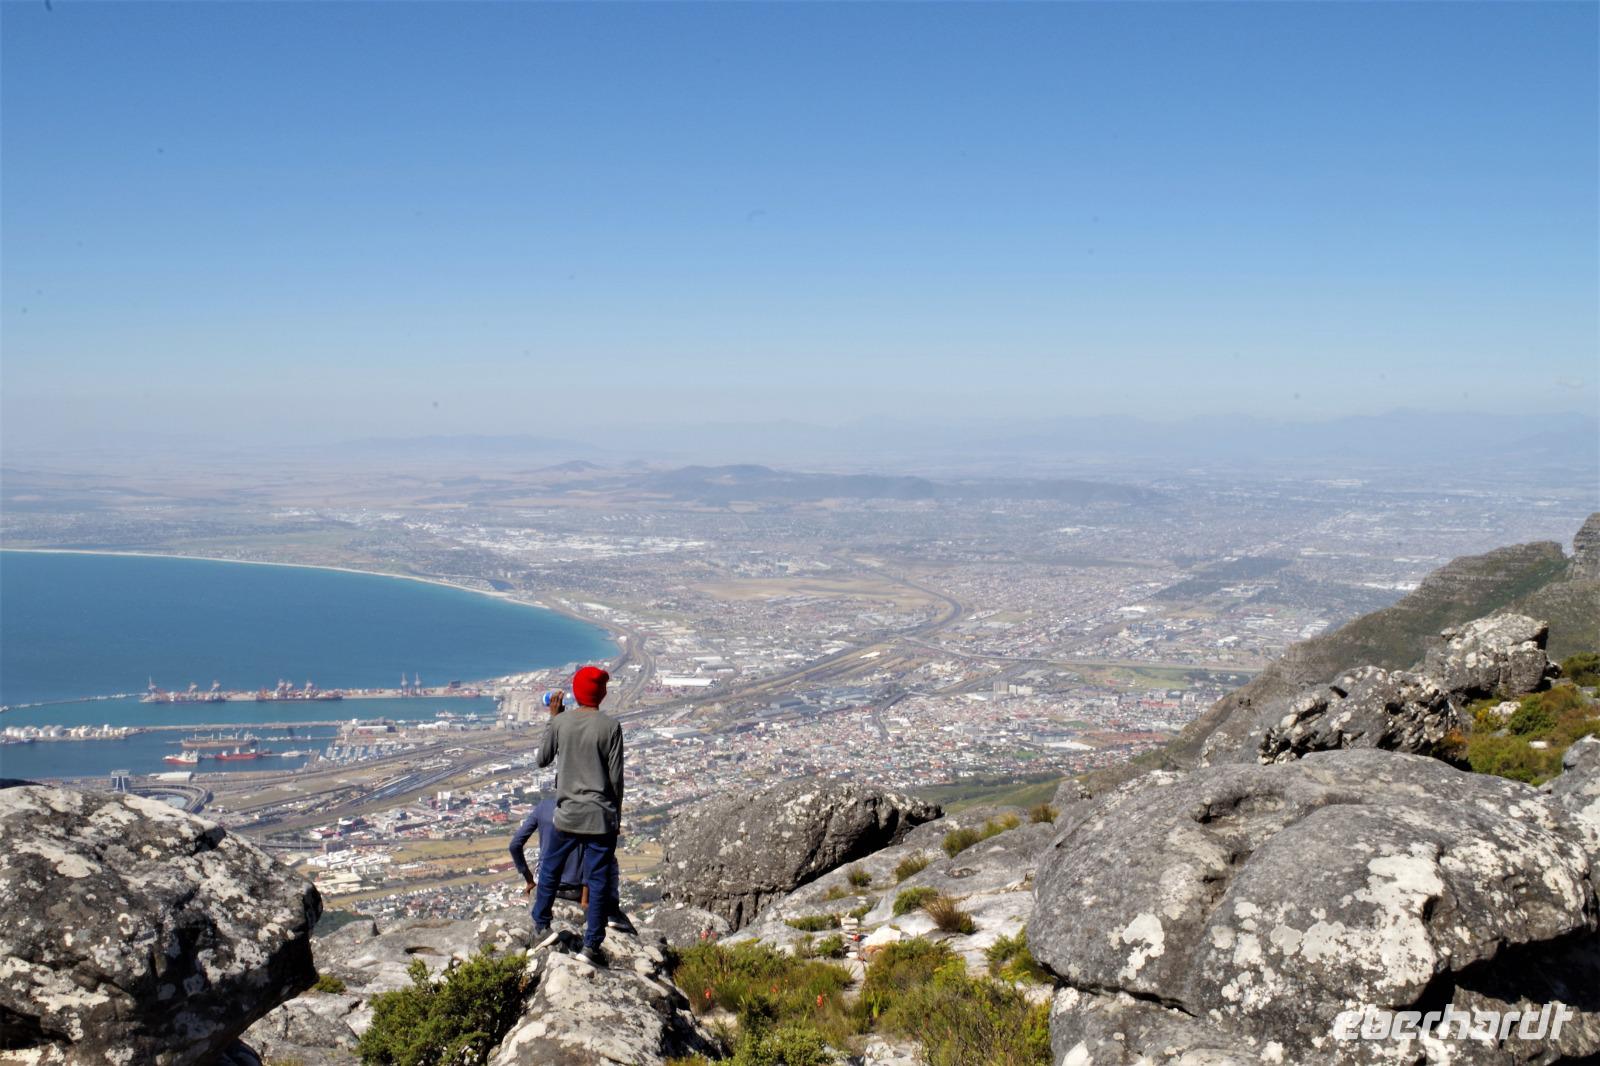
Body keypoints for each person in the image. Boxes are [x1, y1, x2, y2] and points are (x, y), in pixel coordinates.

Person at [530, 665, 625, 966]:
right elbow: (616, 780)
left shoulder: (562, 723)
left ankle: (541, 925)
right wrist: (615, 818)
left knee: (550, 870)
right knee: (597, 881)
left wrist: (554, 720)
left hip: (567, 815)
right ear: (602, 693)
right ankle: (591, 946)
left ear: (575, 692)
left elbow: (542, 759)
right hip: (599, 818)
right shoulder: (610, 727)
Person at [508, 795, 635, 932]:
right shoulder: (585, 810)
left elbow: (515, 845)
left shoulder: (543, 807)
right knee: (609, 858)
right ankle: (612, 913)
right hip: (576, 888)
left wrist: (529, 880)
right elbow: (589, 856)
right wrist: (585, 900)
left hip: (545, 883)